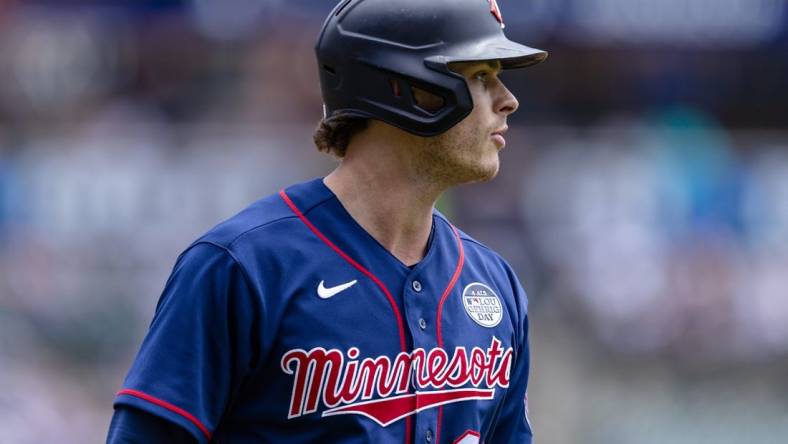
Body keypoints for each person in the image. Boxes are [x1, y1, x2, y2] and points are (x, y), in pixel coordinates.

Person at [106, 0, 547, 442]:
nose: (507, 101)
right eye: (480, 76)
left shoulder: (495, 284)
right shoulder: (242, 267)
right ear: (404, 87)